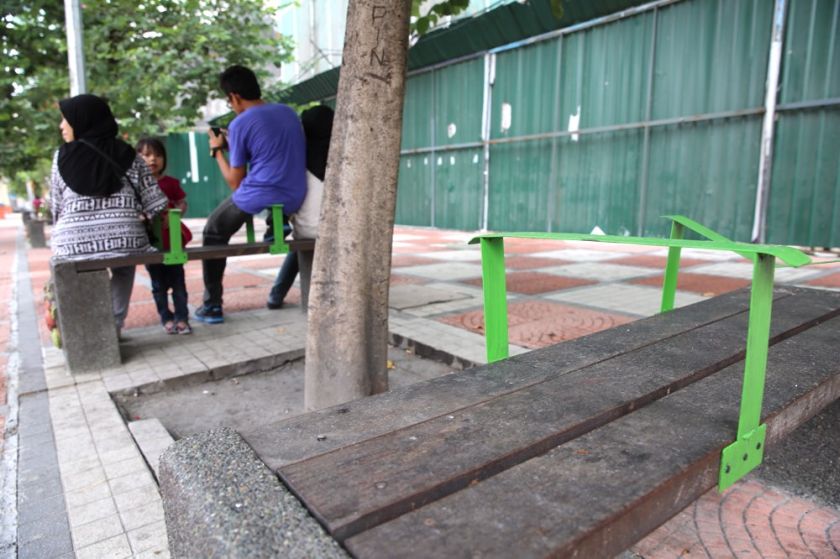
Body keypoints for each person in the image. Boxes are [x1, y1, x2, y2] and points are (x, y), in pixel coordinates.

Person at [196, 65, 307, 324]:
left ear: (234, 96)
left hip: (260, 193)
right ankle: (276, 221)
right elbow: (269, 150)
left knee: (213, 232)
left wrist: (217, 151)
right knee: (269, 199)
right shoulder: (288, 112)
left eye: (229, 101)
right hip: (294, 194)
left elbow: (236, 182)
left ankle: (212, 306)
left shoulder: (240, 123)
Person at [50, 94, 168, 335]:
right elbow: (155, 204)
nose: (61, 126)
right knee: (124, 265)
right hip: (126, 239)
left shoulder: (61, 156)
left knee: (82, 263)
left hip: (72, 243)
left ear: (81, 121)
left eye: (65, 120)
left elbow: (56, 208)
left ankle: (89, 328)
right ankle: (113, 325)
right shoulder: (129, 154)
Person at [266, 104, 334, 309]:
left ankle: (276, 294)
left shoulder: (297, 160)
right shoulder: (343, 160)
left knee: (301, 239)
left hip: (306, 231)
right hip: (338, 232)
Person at [136, 137, 193, 334]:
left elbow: (182, 202)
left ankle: (182, 318)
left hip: (173, 241)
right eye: (146, 155)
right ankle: (166, 318)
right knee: (158, 285)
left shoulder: (170, 183)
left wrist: (175, 214)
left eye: (158, 155)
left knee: (178, 282)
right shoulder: (136, 186)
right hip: (151, 244)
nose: (153, 159)